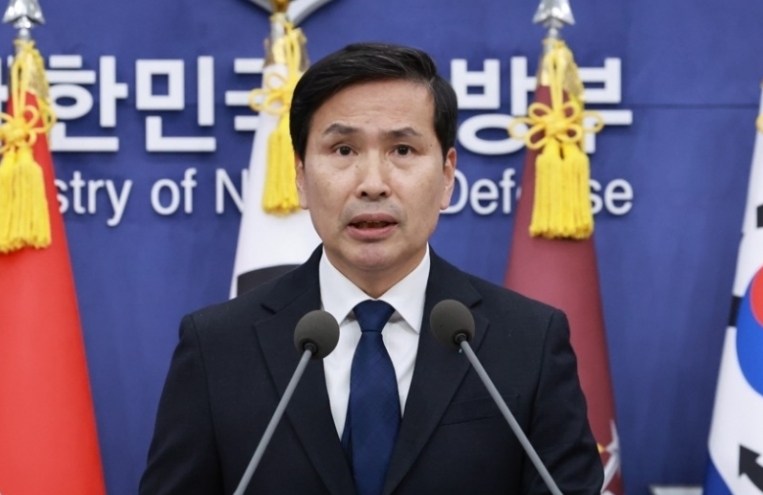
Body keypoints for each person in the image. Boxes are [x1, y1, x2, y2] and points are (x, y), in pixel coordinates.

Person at [139, 42, 603, 495]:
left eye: (402, 150)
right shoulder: (218, 347)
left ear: (446, 176)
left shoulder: (529, 341)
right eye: (343, 150)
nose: (373, 184)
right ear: (300, 177)